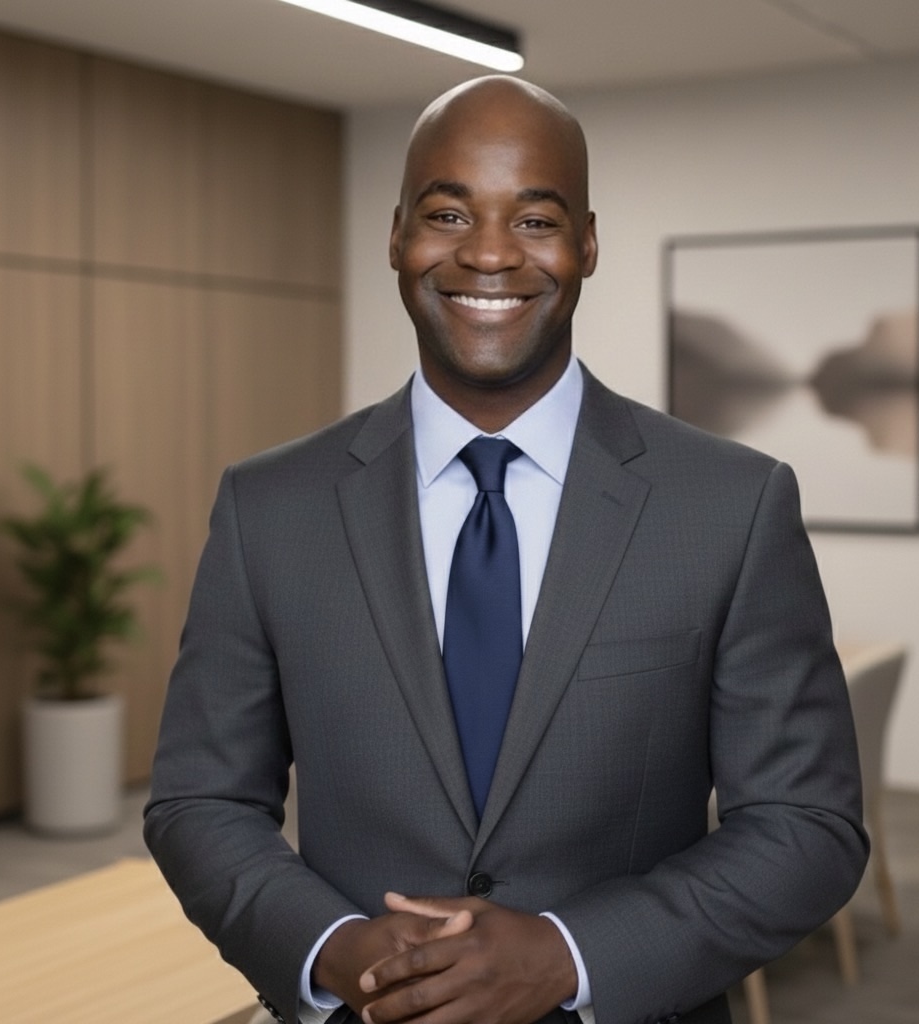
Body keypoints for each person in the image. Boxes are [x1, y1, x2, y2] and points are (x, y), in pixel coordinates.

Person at [144, 76, 869, 1024]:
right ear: (397, 234)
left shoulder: (731, 504)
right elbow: (198, 800)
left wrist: (569, 956)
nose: (487, 254)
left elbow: (805, 827)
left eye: (533, 220)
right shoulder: (269, 507)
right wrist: (328, 947)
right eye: (449, 213)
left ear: (588, 244)